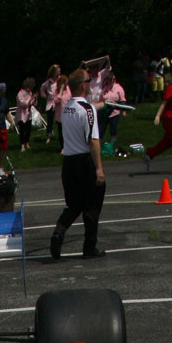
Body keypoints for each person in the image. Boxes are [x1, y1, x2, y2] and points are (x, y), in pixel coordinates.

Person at [50, 68, 106, 260]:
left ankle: (59, 231)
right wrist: (99, 168)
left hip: (69, 162)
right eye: (89, 81)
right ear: (83, 85)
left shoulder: (67, 108)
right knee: (92, 205)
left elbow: (86, 109)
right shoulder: (87, 110)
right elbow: (93, 140)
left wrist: (103, 104)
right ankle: (89, 247)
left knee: (73, 205)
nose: (90, 83)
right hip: (84, 161)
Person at [133, 65, 172, 173]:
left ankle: (149, 155)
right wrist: (158, 116)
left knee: (167, 142)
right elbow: (164, 103)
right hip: (171, 119)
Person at [15, 78, 37, 151]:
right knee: (22, 130)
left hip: (28, 114)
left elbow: (32, 104)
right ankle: (22, 145)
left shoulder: (30, 93)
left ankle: (27, 142)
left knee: (28, 129)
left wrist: (34, 99)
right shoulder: (20, 94)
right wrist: (31, 99)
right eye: (30, 87)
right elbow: (23, 104)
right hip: (21, 114)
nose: (31, 89)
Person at [40, 65, 60, 143]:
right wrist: (45, 95)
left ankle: (61, 136)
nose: (59, 72)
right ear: (53, 72)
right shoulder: (48, 82)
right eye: (57, 71)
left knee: (60, 121)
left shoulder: (60, 79)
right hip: (51, 103)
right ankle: (49, 135)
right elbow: (42, 88)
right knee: (50, 120)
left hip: (59, 102)